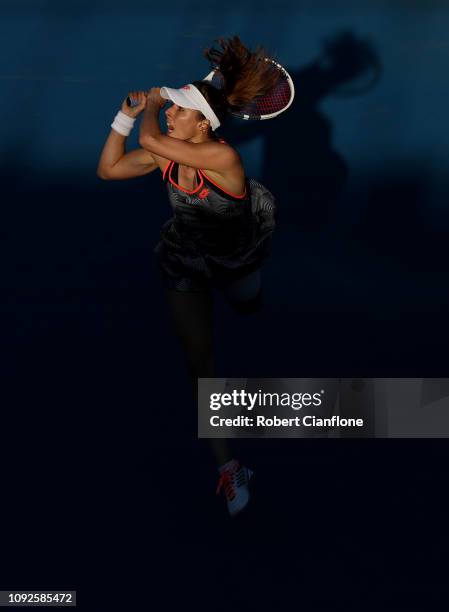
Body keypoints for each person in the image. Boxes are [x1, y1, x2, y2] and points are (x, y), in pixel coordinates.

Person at [97, 35, 277, 516]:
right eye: (171, 108)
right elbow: (110, 169)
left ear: (204, 124)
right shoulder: (168, 151)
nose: (171, 113)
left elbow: (154, 139)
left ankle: (248, 296)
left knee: (246, 301)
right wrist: (125, 118)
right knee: (202, 363)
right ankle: (229, 467)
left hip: (235, 258)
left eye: (179, 110)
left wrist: (151, 104)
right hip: (187, 261)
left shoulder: (224, 159)